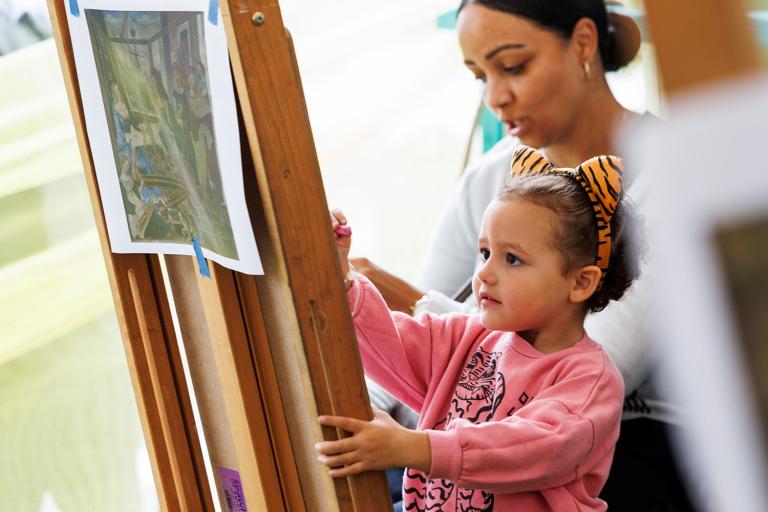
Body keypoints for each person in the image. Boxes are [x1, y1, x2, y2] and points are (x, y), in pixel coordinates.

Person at [352, 1, 696, 509]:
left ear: (583, 43)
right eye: (479, 76)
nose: (496, 96)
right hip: (485, 433)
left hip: (629, 445)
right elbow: (422, 355)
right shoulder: (491, 180)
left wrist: (399, 293)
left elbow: (583, 357)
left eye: (512, 67)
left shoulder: (679, 176)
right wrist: (361, 416)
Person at [316, 146, 641, 510]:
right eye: (485, 253)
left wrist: (412, 447)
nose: (484, 273)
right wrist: (341, 277)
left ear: (580, 283)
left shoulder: (589, 381)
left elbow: (527, 448)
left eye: (512, 259)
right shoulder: (468, 336)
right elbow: (390, 344)